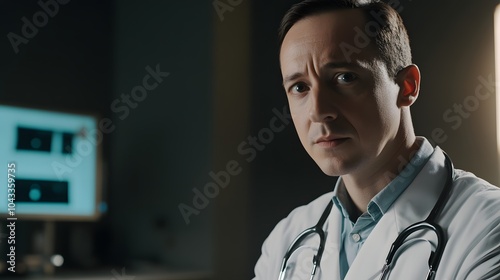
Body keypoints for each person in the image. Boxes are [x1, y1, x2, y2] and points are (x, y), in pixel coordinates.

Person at [253, 0, 500, 279]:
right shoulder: (287, 240)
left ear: (407, 86)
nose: (319, 111)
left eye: (345, 77)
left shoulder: (488, 227)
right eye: (300, 87)